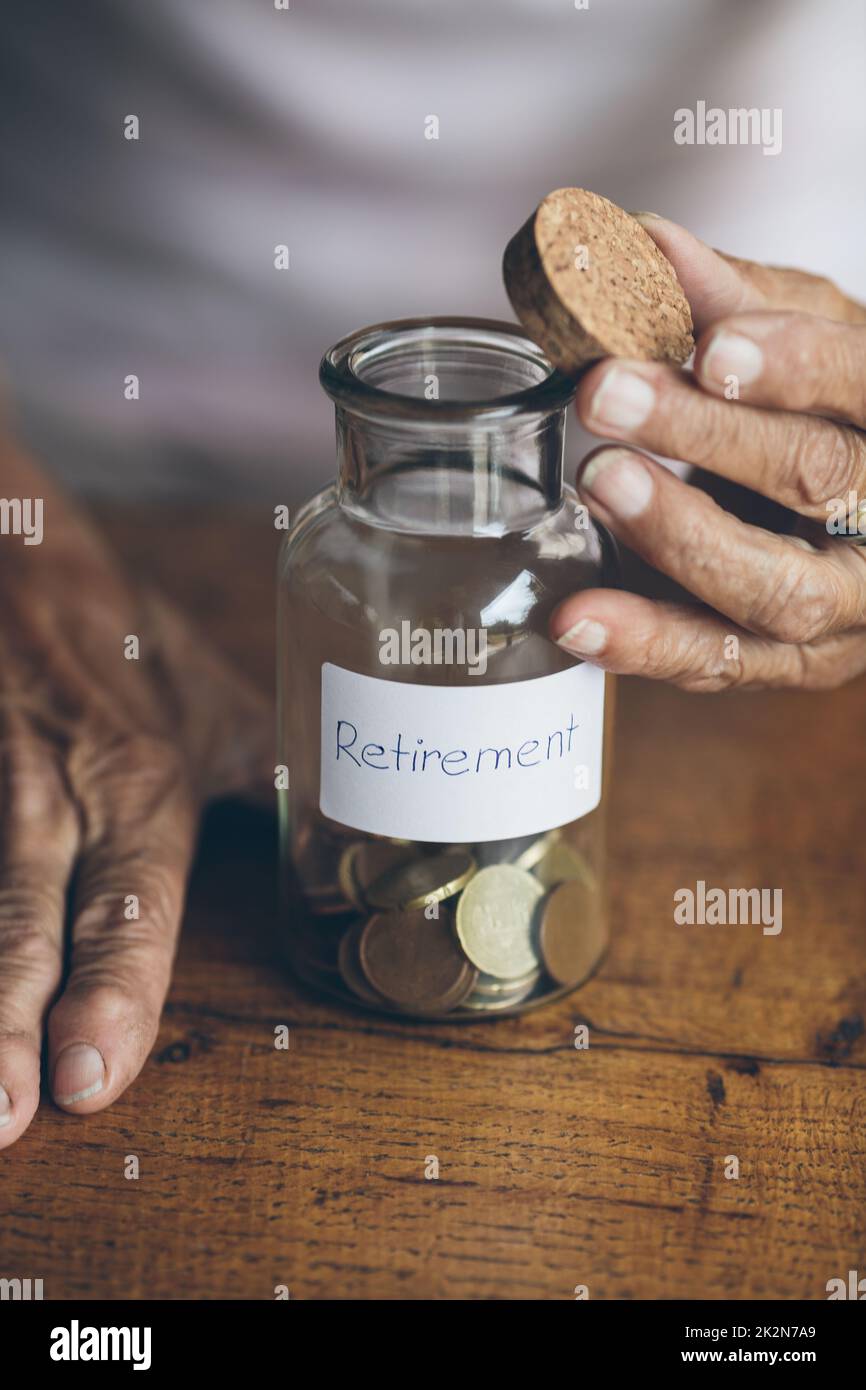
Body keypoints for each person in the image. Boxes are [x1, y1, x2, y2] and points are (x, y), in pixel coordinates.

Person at [0, 0, 864, 1149]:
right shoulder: (327, 556)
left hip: (766, 368)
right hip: (86, 420)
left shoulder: (561, 546)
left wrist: (840, 466)